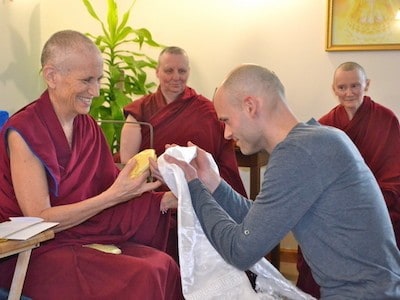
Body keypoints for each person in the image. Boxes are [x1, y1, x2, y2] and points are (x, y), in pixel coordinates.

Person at [159, 64, 400, 299]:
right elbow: (260, 220)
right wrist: (213, 184)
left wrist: (193, 187)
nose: (227, 134)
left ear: (250, 106)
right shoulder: (316, 140)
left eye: (227, 121)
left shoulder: (300, 152)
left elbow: (239, 251)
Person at [0, 30, 183, 300]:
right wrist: (115, 194)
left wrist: (165, 198)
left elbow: (106, 192)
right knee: (143, 273)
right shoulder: (24, 131)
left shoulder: (87, 127)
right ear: (52, 76)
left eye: (98, 79)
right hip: (32, 251)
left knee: (162, 265)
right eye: (86, 80)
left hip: (80, 233)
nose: (95, 91)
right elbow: (39, 220)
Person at [121, 46, 247, 262]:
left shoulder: (207, 111)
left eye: (182, 71)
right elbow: (127, 160)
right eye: (169, 71)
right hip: (154, 198)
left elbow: (220, 160)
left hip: (198, 196)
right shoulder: (139, 110)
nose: (176, 77)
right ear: (157, 71)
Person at [296, 61, 400, 298]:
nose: (349, 93)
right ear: (334, 89)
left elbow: (394, 173)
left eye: (355, 86)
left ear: (367, 85)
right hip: (336, 213)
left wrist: (369, 205)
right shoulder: (325, 125)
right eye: (342, 87)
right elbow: (316, 177)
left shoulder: (386, 119)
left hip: (378, 207)